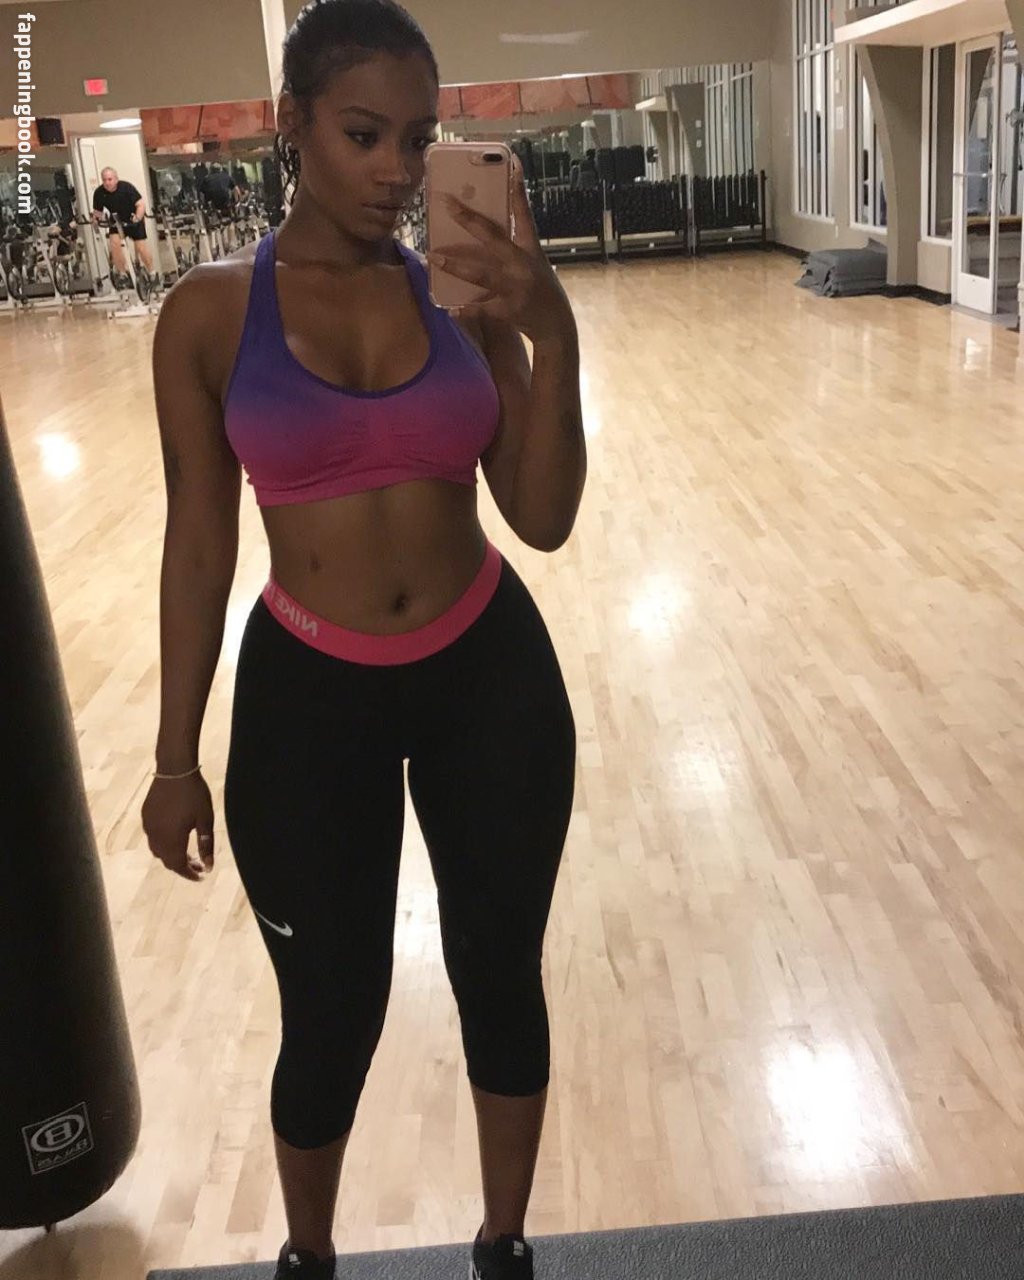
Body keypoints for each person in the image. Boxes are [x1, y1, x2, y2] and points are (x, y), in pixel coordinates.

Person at [140, 2, 586, 1279]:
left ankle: (503, 1244)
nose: (398, 168)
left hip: (486, 674)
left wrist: (551, 328)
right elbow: (198, 543)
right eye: (364, 134)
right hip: (308, 697)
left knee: (498, 972)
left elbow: (542, 517)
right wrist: (174, 756)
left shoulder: (461, 295)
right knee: (332, 1011)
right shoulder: (209, 314)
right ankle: (308, 1255)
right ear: (292, 124)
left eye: (419, 138)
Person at [91, 166, 156, 280]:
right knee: (115, 244)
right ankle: (123, 274)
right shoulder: (99, 193)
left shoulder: (127, 188)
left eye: (110, 179)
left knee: (140, 247)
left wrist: (137, 218)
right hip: (116, 221)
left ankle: (152, 273)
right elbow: (97, 212)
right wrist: (95, 220)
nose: (107, 183)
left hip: (133, 219)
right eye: (104, 180)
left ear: (116, 179)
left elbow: (141, 205)